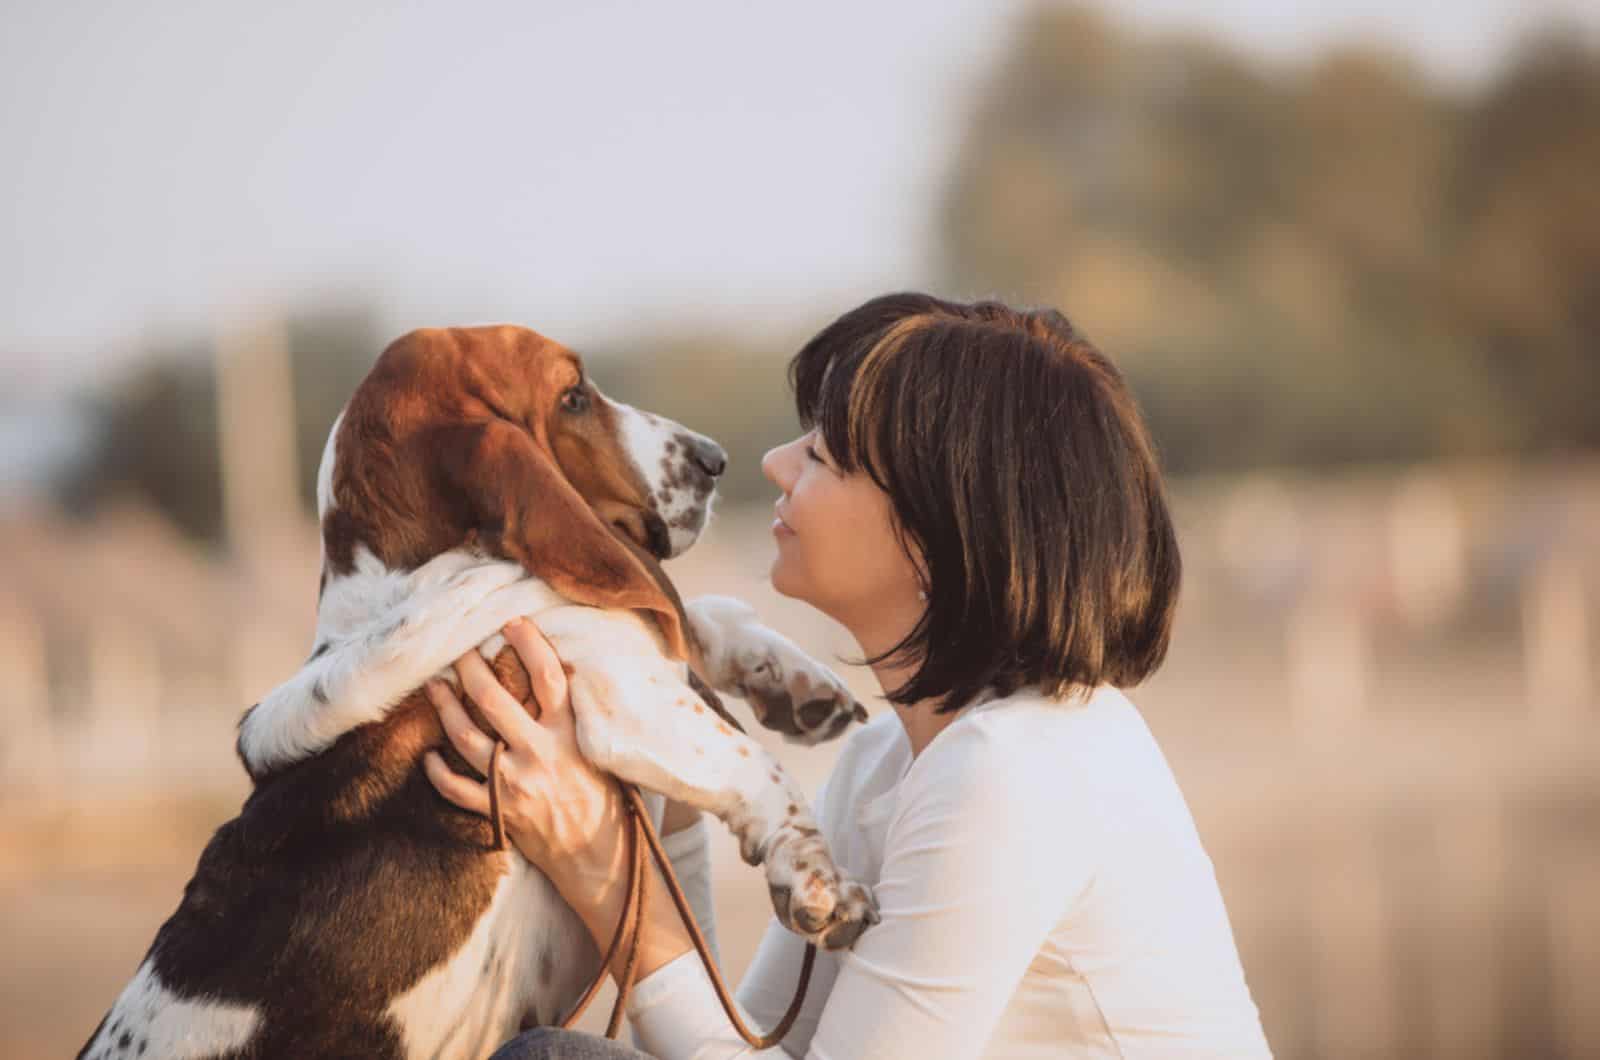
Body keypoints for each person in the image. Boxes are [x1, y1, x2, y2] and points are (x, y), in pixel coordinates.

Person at [423, 293, 1273, 1058]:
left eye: (826, 456)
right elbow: (753, 1044)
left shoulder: (1019, 770)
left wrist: (606, 878)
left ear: (943, 530)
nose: (776, 465)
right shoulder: (891, 762)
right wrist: (671, 817)